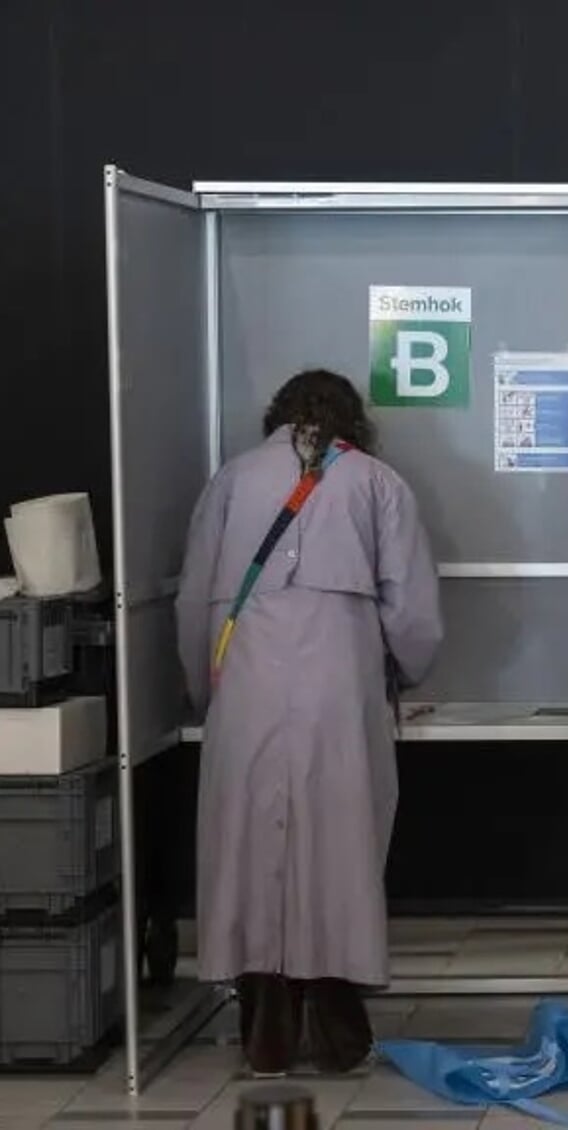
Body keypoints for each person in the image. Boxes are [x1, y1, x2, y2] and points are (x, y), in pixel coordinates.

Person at [176, 369, 443, 1077]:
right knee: (340, 844)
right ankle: (335, 1023)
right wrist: (403, 675)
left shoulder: (231, 480)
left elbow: (195, 600)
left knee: (246, 843)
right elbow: (412, 613)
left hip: (248, 691)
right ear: (353, 420)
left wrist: (209, 695)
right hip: (339, 691)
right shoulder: (378, 483)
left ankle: (262, 1023)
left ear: (276, 416)